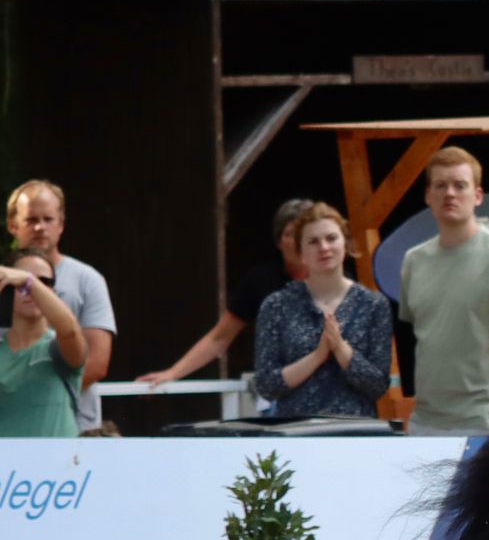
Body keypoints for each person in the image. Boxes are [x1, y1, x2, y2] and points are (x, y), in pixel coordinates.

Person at [395, 147, 489, 435]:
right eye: (440, 185)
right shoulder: (413, 261)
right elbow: (416, 336)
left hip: (484, 419)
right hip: (425, 419)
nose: (449, 193)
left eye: (459, 185)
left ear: (477, 195)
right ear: (428, 196)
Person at [138, 197, 311, 390]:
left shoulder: (340, 281)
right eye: (291, 234)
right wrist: (173, 373)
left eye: (305, 235)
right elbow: (219, 338)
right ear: (279, 241)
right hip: (280, 388)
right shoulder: (261, 280)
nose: (298, 242)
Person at [250, 203, 395, 420]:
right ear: (301, 253)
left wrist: (340, 348)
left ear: (345, 243)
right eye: (313, 242)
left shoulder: (374, 305)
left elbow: (378, 385)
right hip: (296, 432)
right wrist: (317, 356)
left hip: (355, 433)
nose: (324, 247)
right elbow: (267, 385)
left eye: (331, 238)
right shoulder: (277, 305)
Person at [7, 180, 116, 432]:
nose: (40, 227)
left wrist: (38, 399)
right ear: (13, 225)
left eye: (48, 219)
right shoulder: (4, 279)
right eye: (31, 219)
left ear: (61, 224)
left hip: (75, 430)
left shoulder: (88, 280)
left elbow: (97, 361)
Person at [0, 253, 88, 438]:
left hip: (56, 465)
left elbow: (70, 331)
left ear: (54, 293)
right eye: (20, 284)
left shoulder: (59, 345)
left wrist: (28, 280)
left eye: (44, 282)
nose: (30, 289)